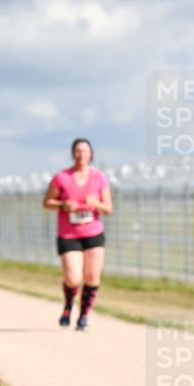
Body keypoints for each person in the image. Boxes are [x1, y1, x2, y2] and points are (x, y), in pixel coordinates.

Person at [42, 138, 112, 331]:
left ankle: (83, 316)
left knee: (92, 277)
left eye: (85, 151)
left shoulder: (99, 177)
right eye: (78, 151)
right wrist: (63, 205)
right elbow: (47, 202)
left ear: (91, 154)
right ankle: (68, 305)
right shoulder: (62, 177)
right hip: (68, 234)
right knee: (73, 277)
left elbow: (108, 208)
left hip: (93, 232)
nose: (82, 155)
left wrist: (95, 203)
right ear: (73, 153)